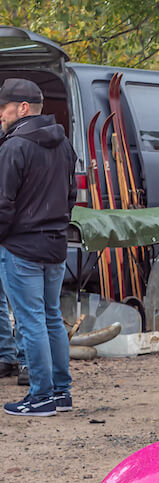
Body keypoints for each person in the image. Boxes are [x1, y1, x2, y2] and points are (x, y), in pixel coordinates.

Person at [0, 78, 77, 417]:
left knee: (31, 322)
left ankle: (41, 396)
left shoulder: (13, 147)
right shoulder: (65, 145)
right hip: (55, 246)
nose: (0, 115)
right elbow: (71, 196)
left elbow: (3, 203)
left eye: (3, 108)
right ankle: (61, 393)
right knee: (51, 319)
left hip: (21, 249)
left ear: (22, 108)